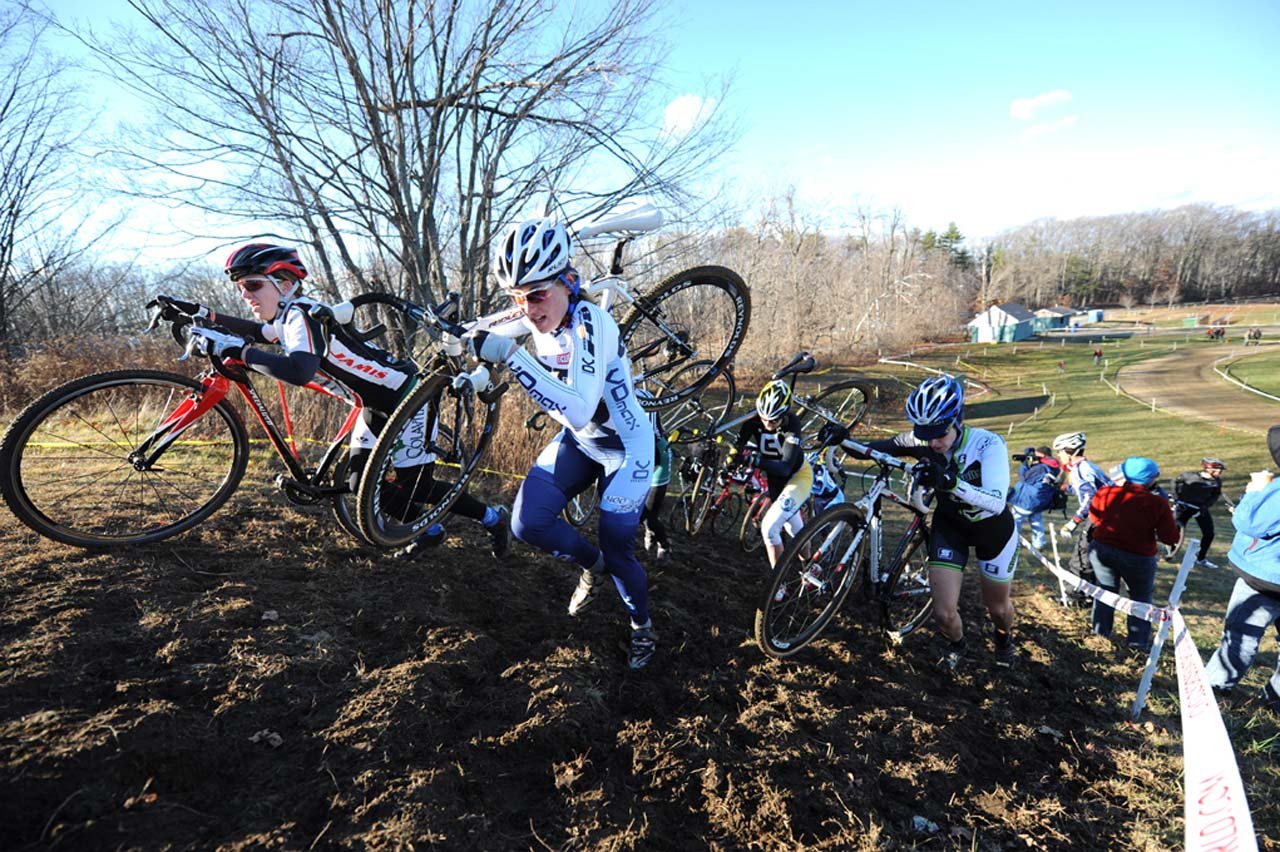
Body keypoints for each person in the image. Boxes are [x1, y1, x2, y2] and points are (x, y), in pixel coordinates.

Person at [152, 243, 511, 557]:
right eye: (240, 288)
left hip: (407, 399)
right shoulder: (291, 314)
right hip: (375, 404)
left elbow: (298, 371)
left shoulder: (303, 316)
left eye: (252, 285)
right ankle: (428, 532)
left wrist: (242, 352)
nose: (245, 295)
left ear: (286, 284)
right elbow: (261, 332)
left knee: (420, 485)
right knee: (358, 484)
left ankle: (494, 518)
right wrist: (204, 314)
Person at [464, 217, 656, 669]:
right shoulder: (533, 309)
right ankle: (592, 568)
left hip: (627, 450)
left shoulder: (593, 323)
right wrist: (459, 344)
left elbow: (579, 409)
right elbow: (480, 327)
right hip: (583, 443)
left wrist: (513, 356)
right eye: (518, 296)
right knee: (527, 523)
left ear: (568, 283)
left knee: (618, 547)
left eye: (536, 294)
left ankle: (642, 626)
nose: (528, 308)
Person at [844, 374, 1018, 670]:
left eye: (940, 432)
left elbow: (996, 501)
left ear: (957, 420)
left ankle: (1003, 639)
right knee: (943, 614)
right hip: (951, 528)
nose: (933, 441)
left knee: (998, 608)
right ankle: (958, 645)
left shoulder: (988, 444)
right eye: (925, 433)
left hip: (993, 530)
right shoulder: (920, 440)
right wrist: (842, 439)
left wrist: (950, 482)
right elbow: (874, 448)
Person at [1204, 427, 1280, 712]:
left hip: (1264, 578)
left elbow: (1252, 523)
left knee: (1242, 635)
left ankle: (1215, 686)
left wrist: (1254, 493)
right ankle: (1276, 700)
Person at [1086, 457, 1180, 652]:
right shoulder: (1158, 503)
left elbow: (1094, 517)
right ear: (1151, 479)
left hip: (1103, 549)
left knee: (1104, 592)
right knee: (1140, 598)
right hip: (1138, 557)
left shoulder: (1105, 492)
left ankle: (1099, 633)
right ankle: (1137, 643)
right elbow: (1169, 537)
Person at [730, 379, 813, 569]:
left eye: (774, 420)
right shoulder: (755, 419)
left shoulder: (792, 424)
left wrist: (754, 460)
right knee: (796, 531)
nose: (767, 423)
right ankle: (810, 566)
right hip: (776, 481)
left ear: (784, 414)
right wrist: (732, 459)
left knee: (769, 529)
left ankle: (778, 583)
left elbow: (784, 466)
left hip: (796, 477)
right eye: (763, 417)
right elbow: (739, 443)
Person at [1170, 458, 1231, 568]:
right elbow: (1175, 482)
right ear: (1208, 468)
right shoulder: (1190, 476)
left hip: (1200, 509)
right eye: (1218, 469)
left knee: (1209, 534)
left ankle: (1201, 558)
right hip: (1184, 507)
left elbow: (1215, 495)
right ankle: (1172, 554)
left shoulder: (1217, 481)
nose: (1220, 472)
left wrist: (1205, 506)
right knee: (1176, 532)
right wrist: (1176, 497)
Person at [1009, 446, 1061, 551]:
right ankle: (1039, 543)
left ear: (1042, 456)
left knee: (1015, 521)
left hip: (1026, 501)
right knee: (1036, 521)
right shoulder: (1052, 467)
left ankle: (1011, 542)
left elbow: (1024, 478)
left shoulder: (1041, 468)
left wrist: (1024, 463)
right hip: (1039, 501)